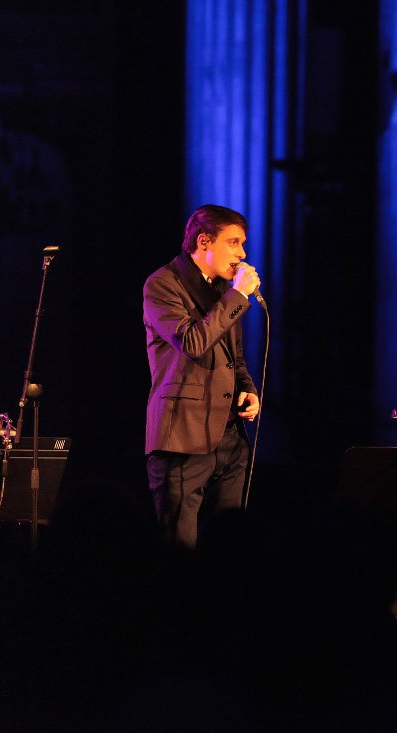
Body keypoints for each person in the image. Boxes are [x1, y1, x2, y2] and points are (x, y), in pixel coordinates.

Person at [143, 204, 261, 548]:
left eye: (243, 244)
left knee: (229, 545)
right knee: (179, 546)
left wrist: (248, 390)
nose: (242, 253)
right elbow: (192, 342)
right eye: (234, 243)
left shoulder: (223, 293)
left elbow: (234, 358)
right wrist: (238, 295)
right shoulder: (163, 284)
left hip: (229, 439)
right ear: (204, 241)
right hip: (183, 435)